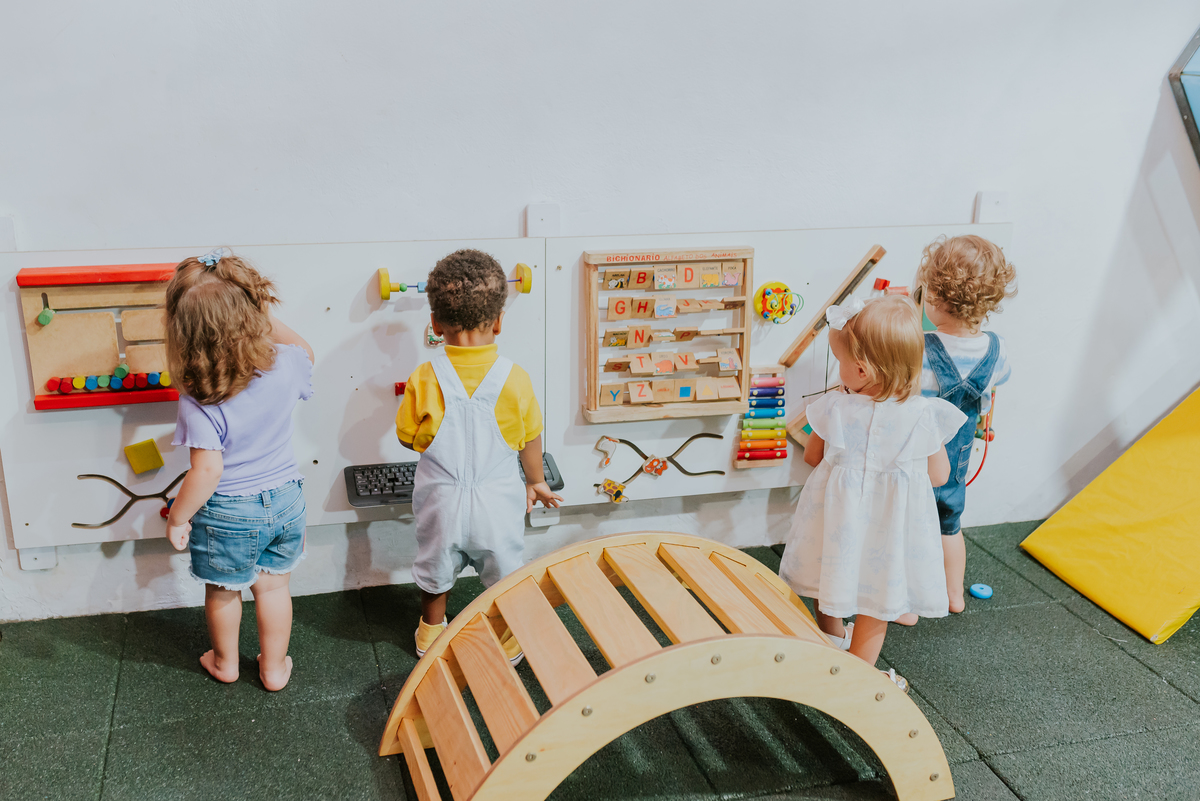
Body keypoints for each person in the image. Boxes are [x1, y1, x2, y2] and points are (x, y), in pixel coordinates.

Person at [779, 296, 965, 688]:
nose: (838, 370)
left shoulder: (835, 408)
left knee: (825, 572)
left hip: (837, 518)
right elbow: (939, 474)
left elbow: (814, 457)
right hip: (889, 527)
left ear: (860, 370)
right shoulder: (922, 414)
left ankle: (830, 637)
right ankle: (859, 676)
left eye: (840, 362)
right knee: (876, 603)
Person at [397, 249, 561, 662]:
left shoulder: (424, 376)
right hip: (497, 500)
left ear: (434, 324)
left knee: (435, 569)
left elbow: (409, 438)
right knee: (504, 569)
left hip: (441, 500)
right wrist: (537, 481)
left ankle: (430, 633)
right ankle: (506, 638)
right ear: (500, 321)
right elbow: (531, 439)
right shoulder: (515, 378)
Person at [164, 249, 314, 692]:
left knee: (223, 591)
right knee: (273, 590)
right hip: (287, 498)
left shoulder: (198, 398)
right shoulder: (287, 365)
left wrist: (178, 516)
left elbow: (207, 471)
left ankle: (226, 662)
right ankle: (273, 668)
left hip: (230, 511)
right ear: (254, 315)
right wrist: (255, 312)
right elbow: (302, 347)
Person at [913, 235, 1016, 615]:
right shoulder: (997, 349)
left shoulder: (919, 346)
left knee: (908, 525)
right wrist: (984, 417)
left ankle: (907, 603)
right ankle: (953, 595)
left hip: (916, 461)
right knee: (949, 526)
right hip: (957, 462)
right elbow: (991, 392)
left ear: (934, 297)